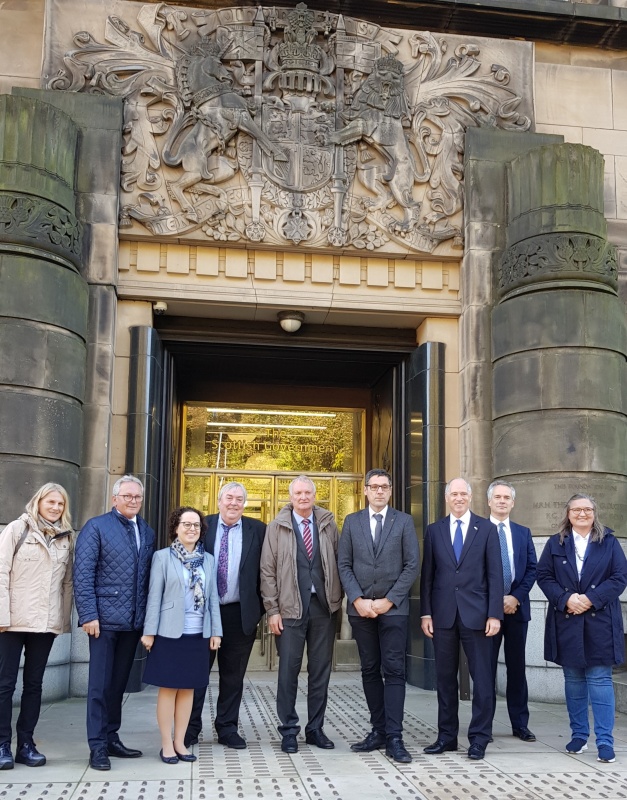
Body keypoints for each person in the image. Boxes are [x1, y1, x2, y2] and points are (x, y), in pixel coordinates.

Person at [537, 493, 627, 764]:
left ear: (594, 513)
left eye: (587, 509)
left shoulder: (609, 542)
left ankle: (604, 741)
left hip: (599, 621)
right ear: (568, 514)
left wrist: (590, 599)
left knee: (599, 680)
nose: (582, 514)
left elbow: (620, 578)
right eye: (576, 510)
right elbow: (544, 576)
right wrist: (566, 599)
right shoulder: (556, 543)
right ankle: (579, 736)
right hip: (567, 620)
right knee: (573, 681)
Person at [73, 474, 155, 771]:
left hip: (131, 624)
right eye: (128, 496)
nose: (133, 501)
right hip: (103, 622)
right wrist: (89, 614)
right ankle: (96, 746)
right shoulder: (96, 527)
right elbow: (82, 575)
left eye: (137, 497)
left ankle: (111, 737)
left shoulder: (146, 531)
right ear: (114, 499)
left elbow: (146, 581)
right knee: (99, 686)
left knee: (118, 685)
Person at [338, 468, 419, 764]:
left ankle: (395, 737)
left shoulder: (404, 521)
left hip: (393, 611)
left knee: (395, 671)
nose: (379, 491)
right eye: (374, 487)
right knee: (370, 670)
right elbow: (343, 564)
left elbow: (412, 565)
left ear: (391, 490)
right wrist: (357, 599)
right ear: (365, 490)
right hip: (360, 611)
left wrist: (389, 601)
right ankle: (378, 731)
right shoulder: (351, 522)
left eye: (384, 487)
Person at [421, 478, 503, 761]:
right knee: (444, 679)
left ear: (470, 496)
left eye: (463, 493)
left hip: (478, 616)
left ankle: (479, 738)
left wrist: (495, 614)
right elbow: (427, 576)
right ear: (447, 498)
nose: (458, 498)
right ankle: (446, 737)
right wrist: (426, 612)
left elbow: (495, 575)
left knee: (482, 680)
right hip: (443, 616)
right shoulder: (434, 531)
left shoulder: (487, 529)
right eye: (453, 494)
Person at [260, 475, 342, 754]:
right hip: (289, 610)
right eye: (298, 493)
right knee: (288, 673)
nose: (303, 497)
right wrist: (272, 609)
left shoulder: (328, 524)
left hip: (323, 608)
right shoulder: (277, 527)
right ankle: (289, 730)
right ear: (291, 496)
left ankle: (315, 729)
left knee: (320, 672)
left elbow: (339, 562)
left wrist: (337, 598)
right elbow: (267, 571)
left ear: (314, 495)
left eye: (308, 492)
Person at [185, 482, 266, 749]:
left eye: (239, 499)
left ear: (245, 503)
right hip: (203, 613)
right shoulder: (201, 525)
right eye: (229, 498)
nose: (234, 503)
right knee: (196, 674)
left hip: (239, 614)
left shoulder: (258, 530)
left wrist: (259, 611)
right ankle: (189, 728)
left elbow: (266, 572)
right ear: (218, 501)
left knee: (233, 677)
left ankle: (227, 728)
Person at [0, 483, 73, 770]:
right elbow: (1, 572)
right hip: (13, 621)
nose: (55, 508)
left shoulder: (66, 538)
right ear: (39, 501)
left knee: (34, 685)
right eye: (51, 502)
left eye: (60, 504)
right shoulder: (18, 530)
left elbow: (67, 583)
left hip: (45, 624)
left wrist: (62, 621)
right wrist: (2, 617)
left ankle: (26, 744)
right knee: (5, 684)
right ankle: (2, 744)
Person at [141, 507, 222, 763]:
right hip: (169, 633)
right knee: (169, 688)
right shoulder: (163, 557)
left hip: (198, 633)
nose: (191, 529)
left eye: (196, 525)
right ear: (176, 527)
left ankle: (180, 742)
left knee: (188, 689)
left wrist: (216, 632)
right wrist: (149, 632)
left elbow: (213, 600)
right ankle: (166, 744)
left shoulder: (208, 559)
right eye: (186, 524)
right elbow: (154, 597)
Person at [487, 481, 537, 742]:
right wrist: (497, 601)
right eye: (498, 497)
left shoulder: (523, 532)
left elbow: (532, 569)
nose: (502, 501)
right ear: (489, 502)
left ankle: (520, 724)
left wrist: (515, 597)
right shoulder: (479, 530)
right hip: (488, 613)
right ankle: (485, 726)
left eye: (507, 497)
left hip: (517, 610)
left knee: (517, 669)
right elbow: (475, 574)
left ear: (513, 502)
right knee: (486, 671)